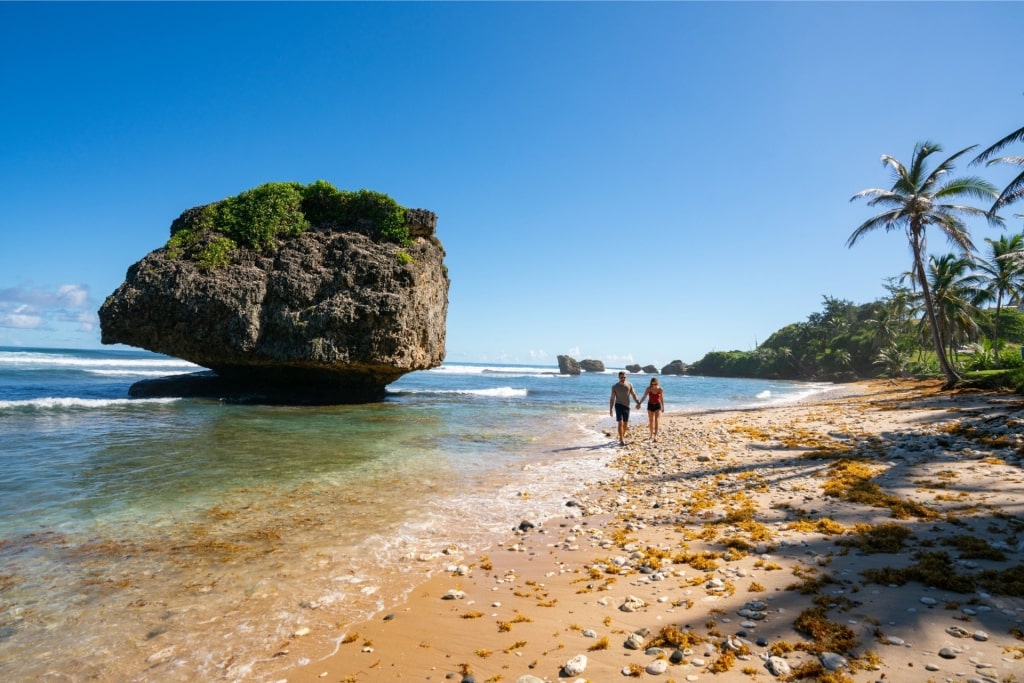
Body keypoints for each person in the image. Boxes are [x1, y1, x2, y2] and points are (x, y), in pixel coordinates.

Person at [609, 371, 640, 445]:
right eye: (621, 377)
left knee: (625, 423)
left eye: (624, 377)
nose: (623, 378)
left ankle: (622, 436)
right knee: (620, 422)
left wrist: (638, 402)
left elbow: (633, 394)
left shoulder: (629, 384)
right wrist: (611, 409)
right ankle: (622, 439)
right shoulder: (615, 386)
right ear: (619, 377)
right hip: (618, 405)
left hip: (627, 406)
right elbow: (612, 398)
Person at [636, 377, 665, 441]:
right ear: (651, 384)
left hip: (657, 405)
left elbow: (662, 398)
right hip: (650, 405)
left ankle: (656, 436)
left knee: (657, 420)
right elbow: (644, 396)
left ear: (657, 383)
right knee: (651, 421)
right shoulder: (648, 389)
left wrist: (663, 407)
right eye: (652, 384)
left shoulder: (660, 389)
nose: (654, 385)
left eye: (655, 384)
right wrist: (639, 403)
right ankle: (651, 434)